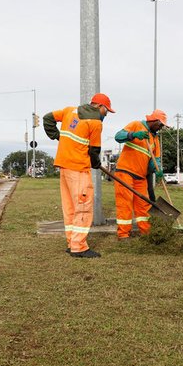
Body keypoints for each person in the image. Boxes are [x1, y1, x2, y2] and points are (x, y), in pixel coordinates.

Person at [43, 92, 115, 258]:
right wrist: (96, 163)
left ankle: (71, 242)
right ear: (99, 106)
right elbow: (95, 150)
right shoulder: (95, 122)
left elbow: (48, 118)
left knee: (70, 207)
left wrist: (57, 136)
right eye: (106, 111)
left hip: (64, 167)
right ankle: (79, 247)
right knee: (83, 206)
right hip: (78, 169)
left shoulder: (70, 111)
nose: (106, 115)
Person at [113, 109, 166, 240]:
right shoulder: (136, 125)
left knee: (143, 205)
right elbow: (118, 136)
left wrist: (158, 170)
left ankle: (146, 232)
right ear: (154, 121)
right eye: (161, 124)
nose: (161, 127)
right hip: (125, 172)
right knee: (125, 204)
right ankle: (123, 234)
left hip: (141, 176)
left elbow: (155, 159)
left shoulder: (155, 139)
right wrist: (134, 135)